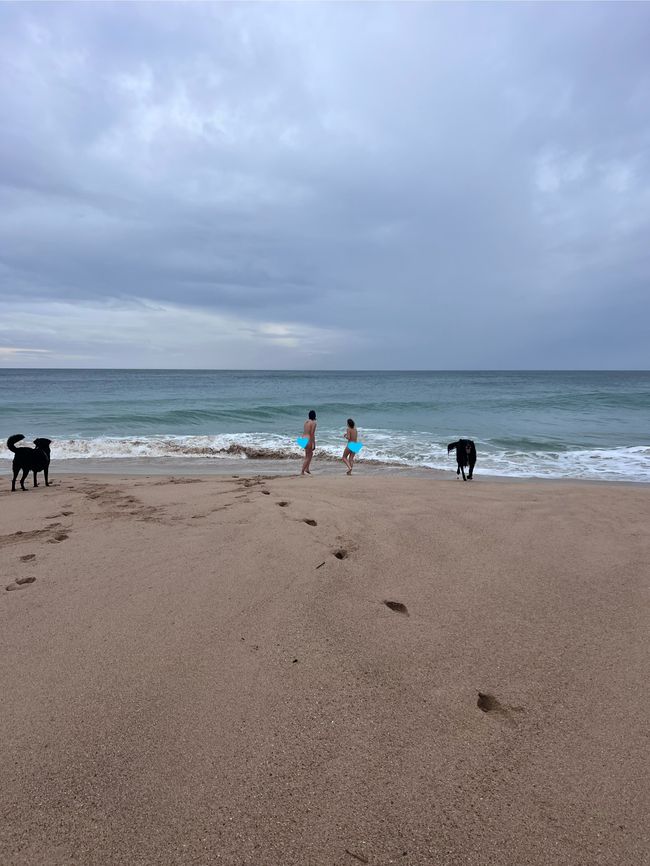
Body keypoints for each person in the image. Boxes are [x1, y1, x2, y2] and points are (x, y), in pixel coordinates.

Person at [301, 410, 317, 475]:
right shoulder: (313, 423)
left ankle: (307, 469)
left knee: (309, 455)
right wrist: (313, 443)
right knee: (308, 456)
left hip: (303, 439)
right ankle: (302, 471)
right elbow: (312, 434)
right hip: (308, 439)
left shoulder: (306, 422)